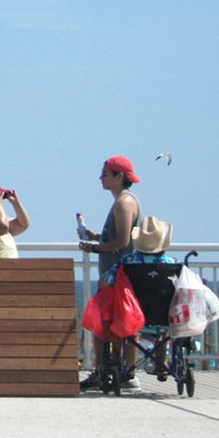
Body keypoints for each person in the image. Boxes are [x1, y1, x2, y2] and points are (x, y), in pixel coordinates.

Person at [77, 158, 142, 390]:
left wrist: (94, 248)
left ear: (119, 176)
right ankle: (122, 372)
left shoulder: (124, 203)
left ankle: (108, 372)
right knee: (121, 323)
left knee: (102, 321)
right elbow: (119, 238)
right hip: (119, 273)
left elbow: (123, 241)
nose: (101, 178)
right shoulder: (123, 201)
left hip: (117, 275)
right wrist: (97, 237)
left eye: (105, 173)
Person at [101, 215, 178, 386]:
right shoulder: (174, 264)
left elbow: (105, 281)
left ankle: (129, 368)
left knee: (124, 325)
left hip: (132, 318)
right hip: (164, 319)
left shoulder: (127, 263)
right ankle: (161, 364)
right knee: (164, 323)